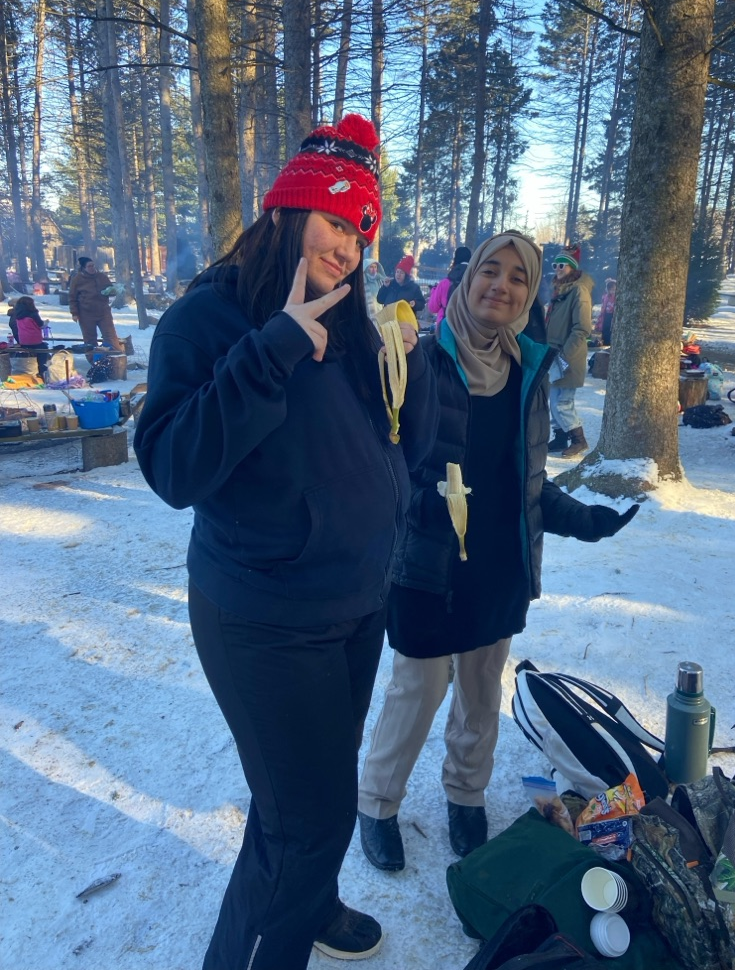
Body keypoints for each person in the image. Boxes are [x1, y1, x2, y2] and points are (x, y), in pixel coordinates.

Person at [133, 114, 438, 970]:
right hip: (265, 616)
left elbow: (394, 457)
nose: (348, 247)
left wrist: (408, 378)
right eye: (337, 222)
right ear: (291, 209)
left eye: (361, 231)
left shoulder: (352, 323)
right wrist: (267, 354)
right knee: (299, 822)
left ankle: (315, 901)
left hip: (351, 607)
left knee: (321, 791)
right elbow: (171, 467)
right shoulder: (208, 319)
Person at [356, 231, 639, 872]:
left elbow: (526, 484)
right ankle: (376, 803)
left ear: (529, 294)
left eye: (517, 277)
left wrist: (584, 519)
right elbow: (377, 453)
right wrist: (415, 501)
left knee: (482, 693)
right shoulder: (419, 360)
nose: (501, 285)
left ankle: (465, 795)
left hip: (499, 566)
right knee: (418, 691)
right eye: (491, 270)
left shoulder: (527, 371)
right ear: (467, 278)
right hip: (428, 567)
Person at [545, 245, 592, 458]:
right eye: (555, 265)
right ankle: (561, 437)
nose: (557, 269)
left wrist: (565, 356)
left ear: (572, 267)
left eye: (562, 265)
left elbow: (581, 328)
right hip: (554, 355)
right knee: (554, 399)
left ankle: (578, 440)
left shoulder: (578, 291)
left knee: (562, 402)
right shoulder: (561, 290)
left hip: (567, 357)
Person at [67, 257, 122, 356]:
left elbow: (110, 288)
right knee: (90, 339)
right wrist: (74, 313)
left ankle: (115, 358)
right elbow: (72, 297)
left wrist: (112, 291)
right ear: (83, 268)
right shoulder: (77, 280)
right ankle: (94, 362)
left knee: (110, 336)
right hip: (86, 313)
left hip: (103, 312)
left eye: (93, 266)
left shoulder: (102, 277)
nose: (92, 268)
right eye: (89, 266)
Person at [428, 246, 471, 329]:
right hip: (468, 329)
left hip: (445, 329)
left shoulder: (445, 282)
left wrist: (434, 290)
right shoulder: (476, 281)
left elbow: (433, 307)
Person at [8, 295, 49, 377]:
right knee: (44, 348)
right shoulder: (33, 314)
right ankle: (42, 370)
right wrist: (46, 322)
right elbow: (40, 325)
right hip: (35, 341)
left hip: (23, 341)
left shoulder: (17, 316)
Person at [595, 278, 617, 346]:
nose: (613, 291)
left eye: (614, 290)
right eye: (611, 290)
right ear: (608, 290)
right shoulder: (606, 297)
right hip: (606, 315)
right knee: (605, 329)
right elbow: (603, 307)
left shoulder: (617, 297)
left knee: (611, 330)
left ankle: (610, 342)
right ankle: (605, 342)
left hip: (613, 315)